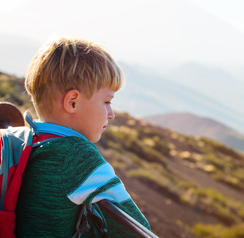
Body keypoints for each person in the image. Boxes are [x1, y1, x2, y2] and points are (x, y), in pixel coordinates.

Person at [16, 34, 150, 237]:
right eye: (107, 102)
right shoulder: (76, 156)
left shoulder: (27, 142)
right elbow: (137, 230)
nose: (111, 114)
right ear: (72, 102)